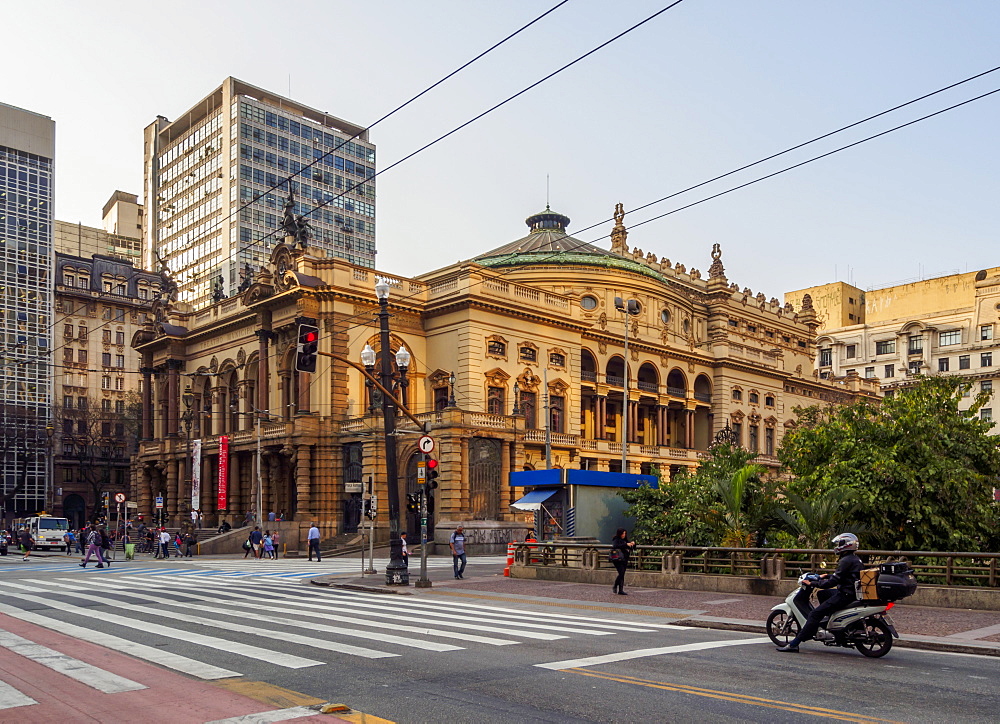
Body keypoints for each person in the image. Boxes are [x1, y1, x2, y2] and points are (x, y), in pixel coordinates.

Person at [776, 532, 864, 653]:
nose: (837, 546)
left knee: (814, 614)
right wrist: (826, 576)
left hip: (845, 595)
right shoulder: (855, 559)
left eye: (839, 544)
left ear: (845, 545)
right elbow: (843, 576)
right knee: (823, 594)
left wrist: (812, 583)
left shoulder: (845, 560)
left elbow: (833, 582)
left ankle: (794, 644)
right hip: (851, 592)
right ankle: (828, 620)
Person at [610, 528, 635, 595]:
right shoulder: (616, 539)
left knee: (622, 574)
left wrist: (632, 544)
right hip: (618, 559)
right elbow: (615, 546)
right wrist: (626, 545)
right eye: (623, 533)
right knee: (621, 573)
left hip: (624, 559)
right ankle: (615, 586)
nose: (624, 535)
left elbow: (630, 547)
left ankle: (620, 590)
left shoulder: (625, 540)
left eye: (625, 533)